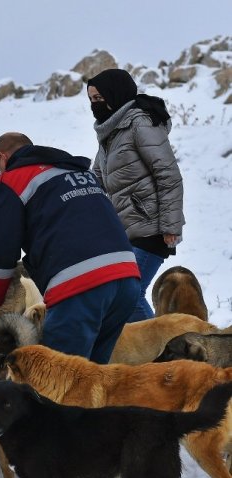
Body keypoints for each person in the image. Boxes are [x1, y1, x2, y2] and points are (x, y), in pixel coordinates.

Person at [0, 132, 141, 364]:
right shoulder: (78, 171)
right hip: (127, 278)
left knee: (56, 378)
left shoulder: (12, 180)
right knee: (92, 377)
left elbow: (2, 246)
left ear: (2, 158)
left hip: (81, 284)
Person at [87, 68, 184, 322]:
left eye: (98, 99)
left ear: (114, 94)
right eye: (91, 100)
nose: (94, 105)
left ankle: (158, 354)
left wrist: (171, 225)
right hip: (126, 229)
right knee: (122, 294)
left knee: (129, 295)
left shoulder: (139, 123)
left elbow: (168, 174)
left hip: (152, 226)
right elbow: (96, 178)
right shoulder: (110, 133)